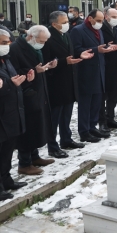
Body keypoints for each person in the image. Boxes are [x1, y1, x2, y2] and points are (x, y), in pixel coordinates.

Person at [42, 11, 92, 152]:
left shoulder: (66, 35)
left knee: (67, 114)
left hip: (69, 81)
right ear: (54, 24)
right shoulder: (47, 38)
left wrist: (79, 54)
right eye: (63, 22)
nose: (67, 24)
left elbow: (70, 54)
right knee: (54, 117)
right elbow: (46, 61)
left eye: (67, 21)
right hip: (55, 83)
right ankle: (52, 146)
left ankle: (66, 139)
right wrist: (64, 62)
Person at [10, 25, 57, 175]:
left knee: (37, 125)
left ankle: (34, 156)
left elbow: (37, 66)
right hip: (25, 93)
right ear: (31, 37)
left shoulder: (34, 47)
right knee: (28, 129)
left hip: (38, 91)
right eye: (41, 41)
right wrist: (35, 71)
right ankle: (24, 163)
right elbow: (14, 72)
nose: (42, 44)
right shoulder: (16, 49)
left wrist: (47, 66)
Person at [70, 10, 116, 142]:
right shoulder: (78, 30)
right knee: (86, 103)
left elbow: (98, 46)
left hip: (99, 71)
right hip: (85, 72)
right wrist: (97, 50)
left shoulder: (98, 30)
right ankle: (84, 131)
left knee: (96, 102)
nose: (101, 23)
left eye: (102, 21)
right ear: (90, 18)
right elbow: (76, 49)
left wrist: (107, 47)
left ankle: (92, 126)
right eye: (99, 20)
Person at [0, 29, 27, 200]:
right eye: (3, 42)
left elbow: (10, 81)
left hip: (11, 112)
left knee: (8, 150)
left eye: (9, 41)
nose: (8, 45)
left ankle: (6, 179)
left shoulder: (6, 60)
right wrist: (10, 85)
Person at [99, 8, 117, 132]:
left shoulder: (115, 30)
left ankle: (110, 118)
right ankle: (102, 121)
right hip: (105, 66)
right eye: (113, 16)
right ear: (106, 16)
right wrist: (106, 47)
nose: (116, 19)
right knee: (103, 96)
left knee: (114, 95)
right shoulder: (101, 29)